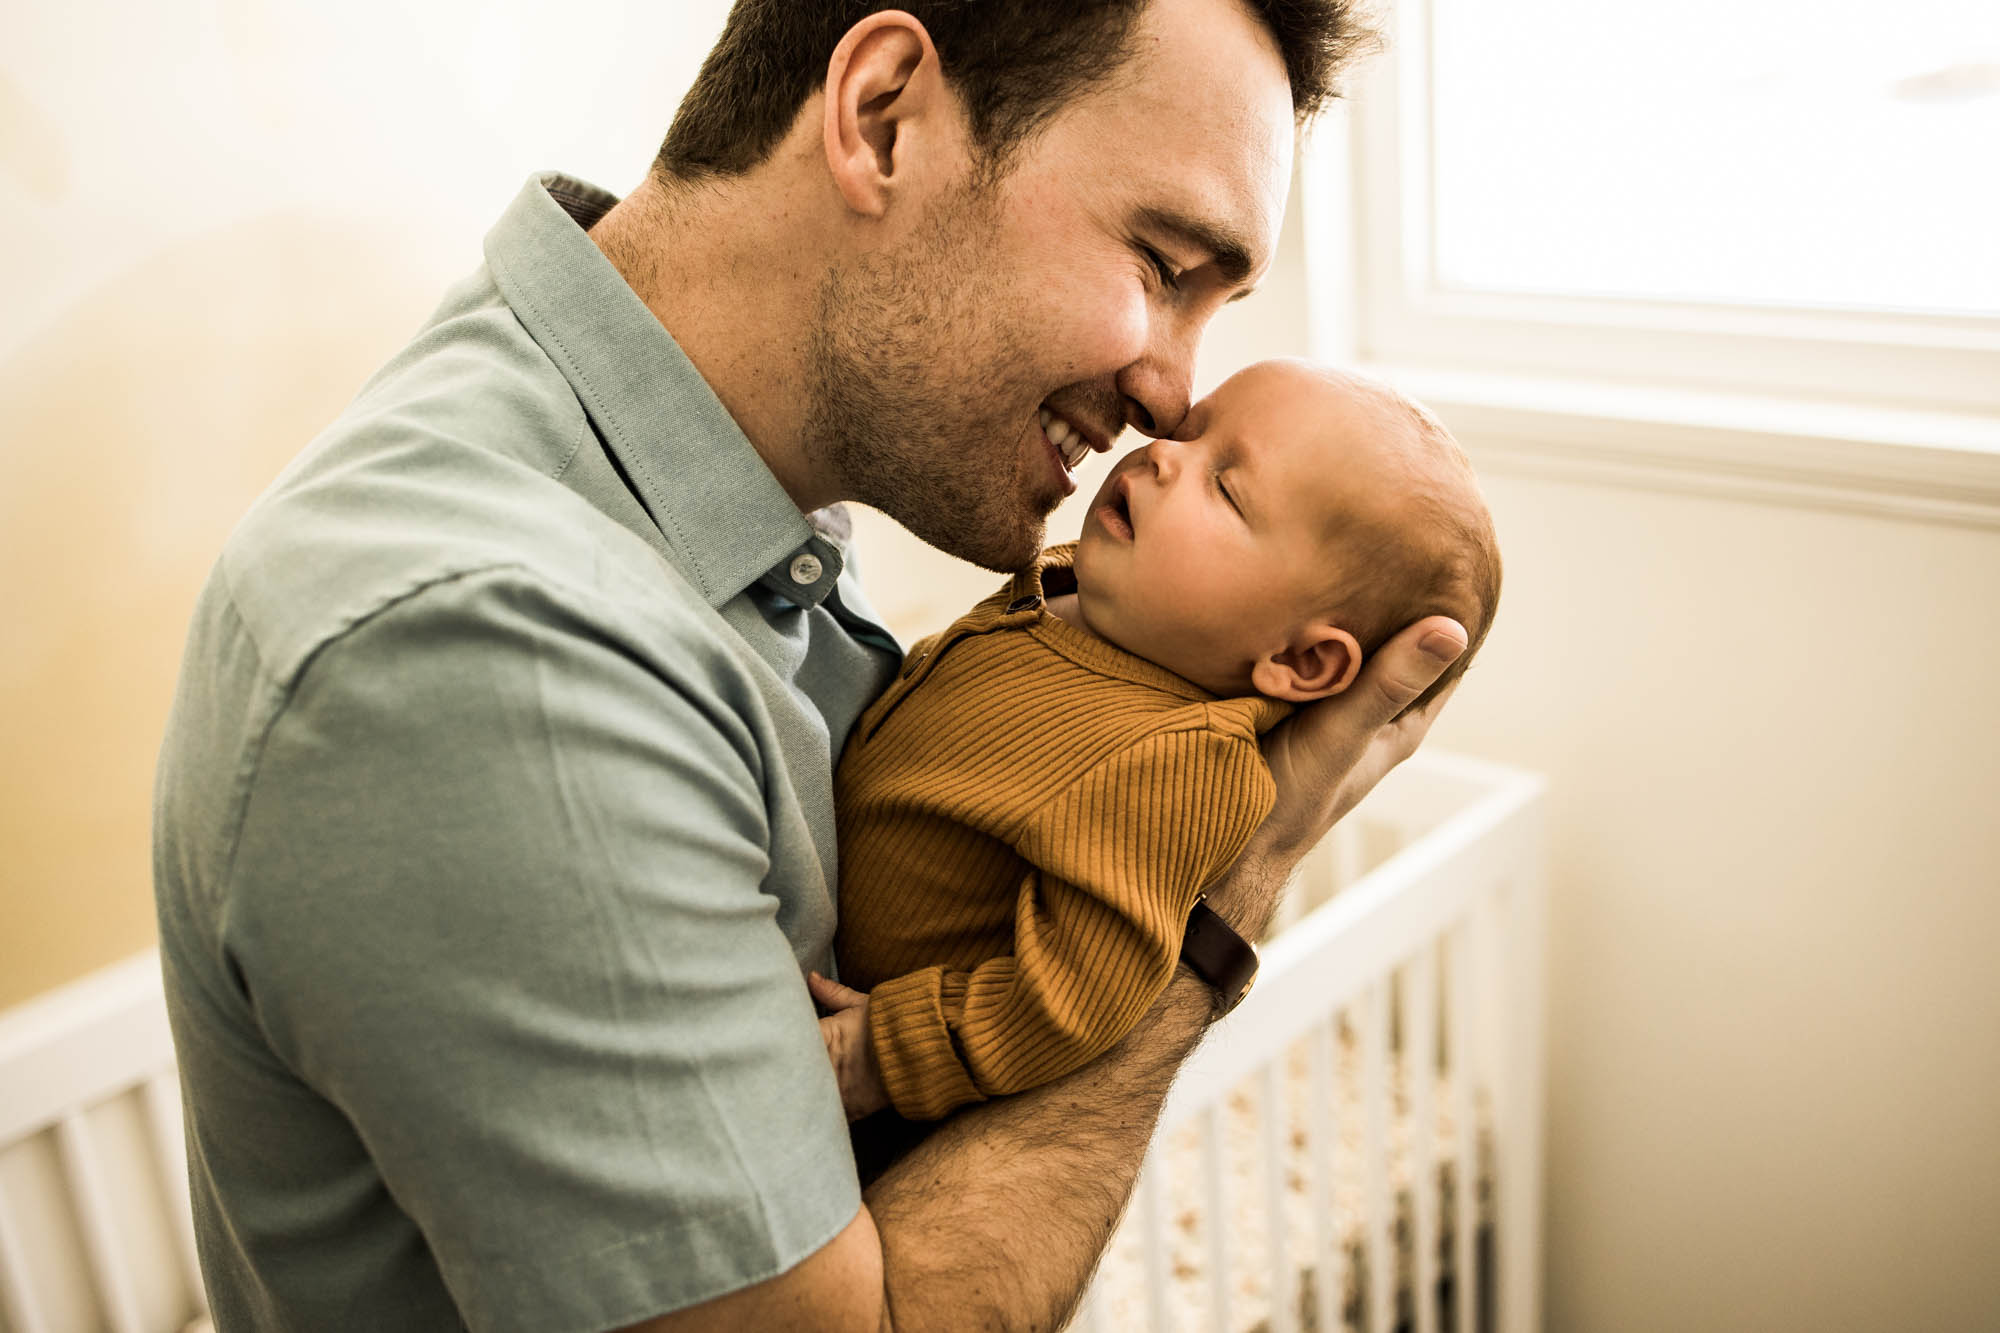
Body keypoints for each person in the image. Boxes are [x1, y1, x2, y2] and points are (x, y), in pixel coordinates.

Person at [150, 3, 1470, 1331]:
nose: (1174, 396)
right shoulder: (494, 657)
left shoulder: (712, 495)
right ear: (883, 117)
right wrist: (1222, 909)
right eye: (1163, 263)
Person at [812, 360, 1500, 1138]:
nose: (1163, 455)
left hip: (879, 1107)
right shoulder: (1077, 592)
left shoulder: (1182, 761)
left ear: (1302, 661)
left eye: (1227, 488)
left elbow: (1076, 997)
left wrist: (882, 1054)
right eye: (1191, 432)